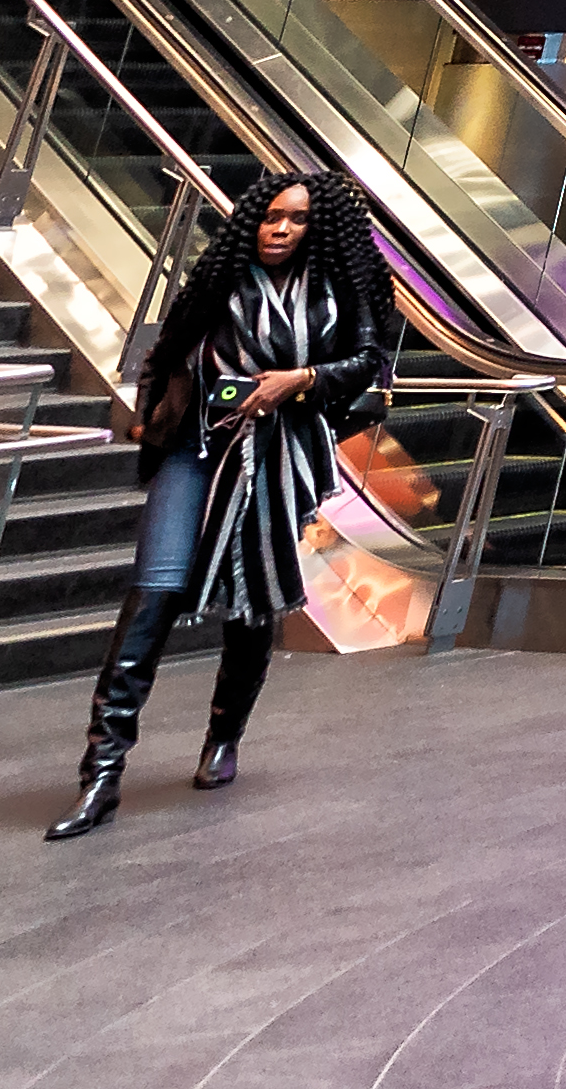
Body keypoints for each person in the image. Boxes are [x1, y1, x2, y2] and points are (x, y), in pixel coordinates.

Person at [51, 164, 395, 842]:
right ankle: (101, 774)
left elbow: (368, 361)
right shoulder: (222, 276)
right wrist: (152, 417)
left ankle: (223, 735)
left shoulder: (338, 288)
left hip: (276, 455)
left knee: (252, 599)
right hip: (196, 446)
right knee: (150, 595)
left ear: (315, 226)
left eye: (295, 219)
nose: (280, 228)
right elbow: (166, 351)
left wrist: (301, 379)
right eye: (271, 216)